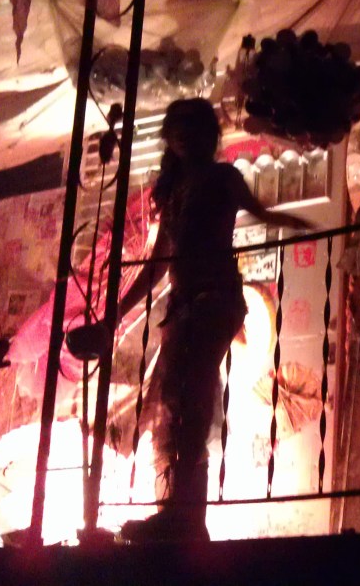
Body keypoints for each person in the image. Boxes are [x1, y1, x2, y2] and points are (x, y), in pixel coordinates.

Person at [68, 97, 311, 542]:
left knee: (187, 400)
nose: (183, 136)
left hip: (214, 298)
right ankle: (176, 513)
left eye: (191, 127)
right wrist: (113, 317)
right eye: (177, 129)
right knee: (174, 404)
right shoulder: (175, 192)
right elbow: (158, 266)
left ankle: (184, 517)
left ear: (206, 135)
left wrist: (294, 221)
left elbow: (259, 211)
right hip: (186, 304)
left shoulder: (222, 178)